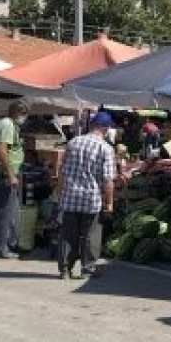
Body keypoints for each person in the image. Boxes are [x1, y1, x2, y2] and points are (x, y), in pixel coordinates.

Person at [57, 112, 117, 280]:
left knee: (68, 234)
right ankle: (87, 269)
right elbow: (108, 180)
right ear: (105, 128)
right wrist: (110, 203)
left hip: (70, 197)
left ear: (91, 125)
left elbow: (61, 171)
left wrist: (59, 193)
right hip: (91, 199)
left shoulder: (73, 142)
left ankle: (65, 269)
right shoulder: (105, 148)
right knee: (91, 235)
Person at [0, 100, 29, 259]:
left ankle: (9, 244)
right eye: (25, 115)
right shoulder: (7, 125)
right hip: (5, 173)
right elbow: (2, 149)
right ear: (19, 113)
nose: (25, 119)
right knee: (6, 211)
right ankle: (1, 248)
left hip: (5, 172)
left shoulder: (6, 123)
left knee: (10, 210)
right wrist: (10, 174)